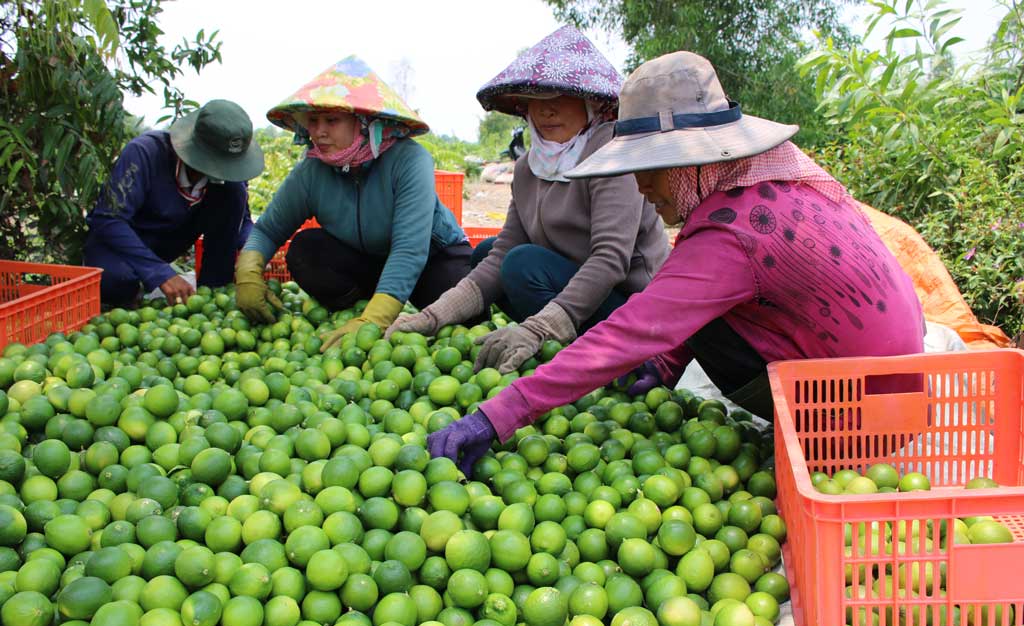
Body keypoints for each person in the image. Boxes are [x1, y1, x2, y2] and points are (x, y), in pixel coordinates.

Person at [427, 51, 926, 474]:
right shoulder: (775, 182)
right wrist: (666, 365)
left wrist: (495, 416)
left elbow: (634, 330)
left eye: (650, 169)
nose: (641, 187)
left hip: (857, 425)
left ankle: (823, 455)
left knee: (676, 305)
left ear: (694, 161)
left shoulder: (737, 229)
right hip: (899, 392)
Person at [389, 26, 669, 373]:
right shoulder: (529, 168)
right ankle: (554, 352)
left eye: (560, 99)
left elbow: (610, 259)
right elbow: (502, 253)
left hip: (634, 310)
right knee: (487, 253)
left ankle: (611, 364)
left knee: (523, 265)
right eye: (537, 101)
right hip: (571, 289)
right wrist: (431, 318)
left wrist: (539, 328)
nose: (546, 112)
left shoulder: (612, 155)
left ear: (591, 104)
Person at [234, 55, 469, 347]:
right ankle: (360, 309)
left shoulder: (409, 160)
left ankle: (382, 307)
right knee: (306, 250)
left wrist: (374, 321)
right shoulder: (313, 170)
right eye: (314, 121)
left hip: (433, 257)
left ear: (363, 123)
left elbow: (410, 249)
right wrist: (247, 273)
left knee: (465, 308)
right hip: (367, 261)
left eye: (332, 120)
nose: (319, 131)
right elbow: (269, 229)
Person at [85, 100, 264, 307]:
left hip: (167, 245)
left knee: (234, 192)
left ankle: (214, 291)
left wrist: (251, 249)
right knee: (116, 280)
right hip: (121, 245)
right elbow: (109, 219)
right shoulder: (145, 154)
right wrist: (158, 272)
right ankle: (127, 296)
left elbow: (243, 221)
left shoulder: (229, 179)